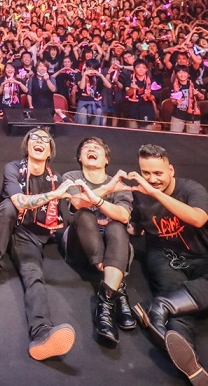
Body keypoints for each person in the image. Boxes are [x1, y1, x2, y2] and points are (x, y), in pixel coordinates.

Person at [124, 144, 208, 386]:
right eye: (146, 173)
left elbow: (198, 219)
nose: (152, 179)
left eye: (158, 173)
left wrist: (154, 193)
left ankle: (160, 307)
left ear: (171, 170)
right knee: (183, 311)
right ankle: (192, 366)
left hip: (200, 256)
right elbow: (134, 227)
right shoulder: (138, 195)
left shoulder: (191, 189)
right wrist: (114, 216)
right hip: (163, 257)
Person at [0, 127, 78, 360]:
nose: (39, 141)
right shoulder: (13, 168)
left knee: (34, 276)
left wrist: (105, 191)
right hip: (1, 222)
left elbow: (79, 200)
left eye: (45, 139)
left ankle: (42, 334)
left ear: (50, 150)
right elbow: (19, 202)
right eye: (35, 137)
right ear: (27, 145)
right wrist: (55, 195)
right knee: (10, 207)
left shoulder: (56, 179)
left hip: (28, 235)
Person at [58, 137, 136, 346]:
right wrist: (108, 190)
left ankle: (104, 308)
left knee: (117, 226)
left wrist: (103, 197)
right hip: (80, 247)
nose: (91, 149)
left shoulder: (121, 186)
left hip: (113, 246)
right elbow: (76, 203)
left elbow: (123, 215)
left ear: (106, 159)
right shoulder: (71, 177)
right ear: (80, 158)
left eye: (97, 147)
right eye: (86, 147)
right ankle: (118, 290)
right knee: (84, 215)